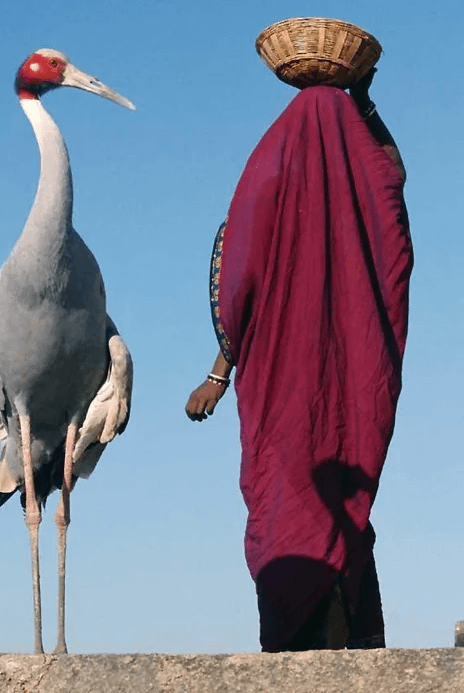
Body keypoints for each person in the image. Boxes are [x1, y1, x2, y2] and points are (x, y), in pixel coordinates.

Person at [185, 69, 412, 652]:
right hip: (352, 390)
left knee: (290, 504)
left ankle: (292, 649)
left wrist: (220, 372)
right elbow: (393, 177)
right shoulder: (362, 195)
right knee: (344, 511)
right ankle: (357, 642)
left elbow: (235, 278)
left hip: (282, 394)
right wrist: (361, 101)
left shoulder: (268, 168)